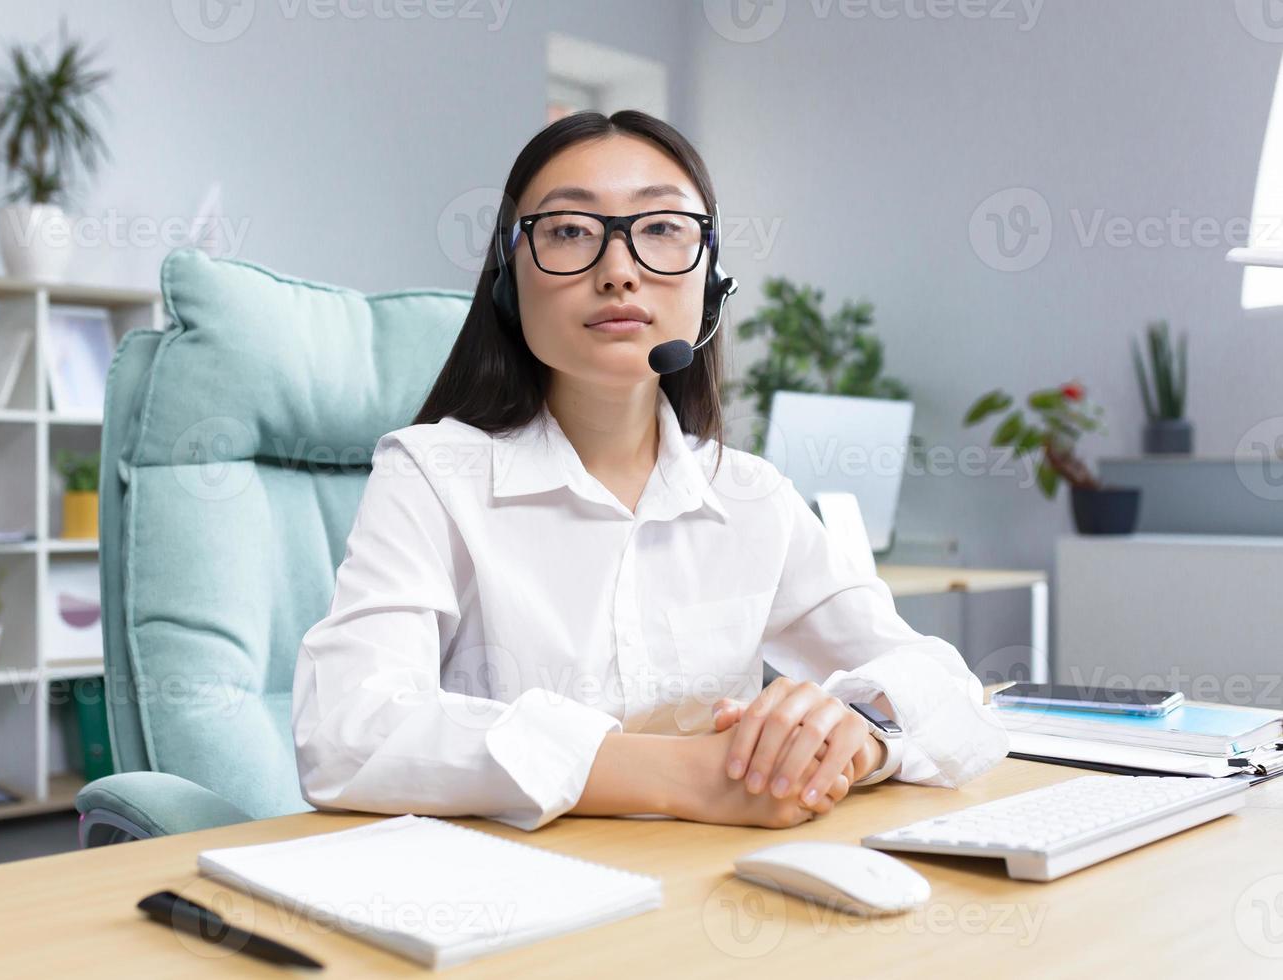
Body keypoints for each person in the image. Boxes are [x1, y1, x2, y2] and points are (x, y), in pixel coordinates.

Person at [291, 109, 1008, 833]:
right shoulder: (432, 475)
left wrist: (853, 735)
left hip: (714, 893)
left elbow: (945, 685)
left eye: (663, 228)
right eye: (570, 230)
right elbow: (348, 731)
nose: (620, 271)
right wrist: (685, 775)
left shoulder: (750, 496)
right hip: (506, 901)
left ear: (712, 280)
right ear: (510, 279)